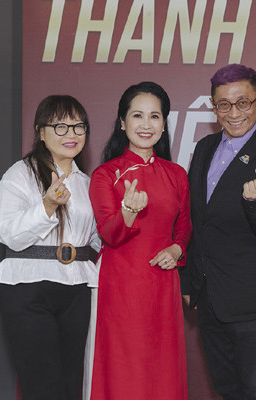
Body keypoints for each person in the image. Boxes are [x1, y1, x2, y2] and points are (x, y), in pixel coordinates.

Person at [180, 64, 256, 400]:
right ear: (213, 107)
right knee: (225, 389)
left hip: (249, 301)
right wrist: (189, 283)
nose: (233, 113)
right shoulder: (204, 148)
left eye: (243, 102)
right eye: (223, 104)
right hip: (208, 297)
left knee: (255, 391)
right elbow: (195, 221)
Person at [0, 95, 101, 400]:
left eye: (78, 126)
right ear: (41, 131)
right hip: (28, 289)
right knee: (42, 387)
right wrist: (48, 204)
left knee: (71, 384)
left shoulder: (88, 183)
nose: (71, 134)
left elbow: (98, 240)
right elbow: (11, 236)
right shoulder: (19, 175)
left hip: (77, 289)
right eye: (60, 126)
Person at [88, 81, 191, 400]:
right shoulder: (106, 174)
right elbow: (110, 234)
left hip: (163, 285)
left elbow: (185, 228)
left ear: (164, 124)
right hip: (120, 286)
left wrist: (176, 249)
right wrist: (129, 211)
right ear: (122, 122)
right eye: (137, 115)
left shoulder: (177, 174)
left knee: (163, 369)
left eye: (154, 116)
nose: (146, 124)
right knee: (124, 371)